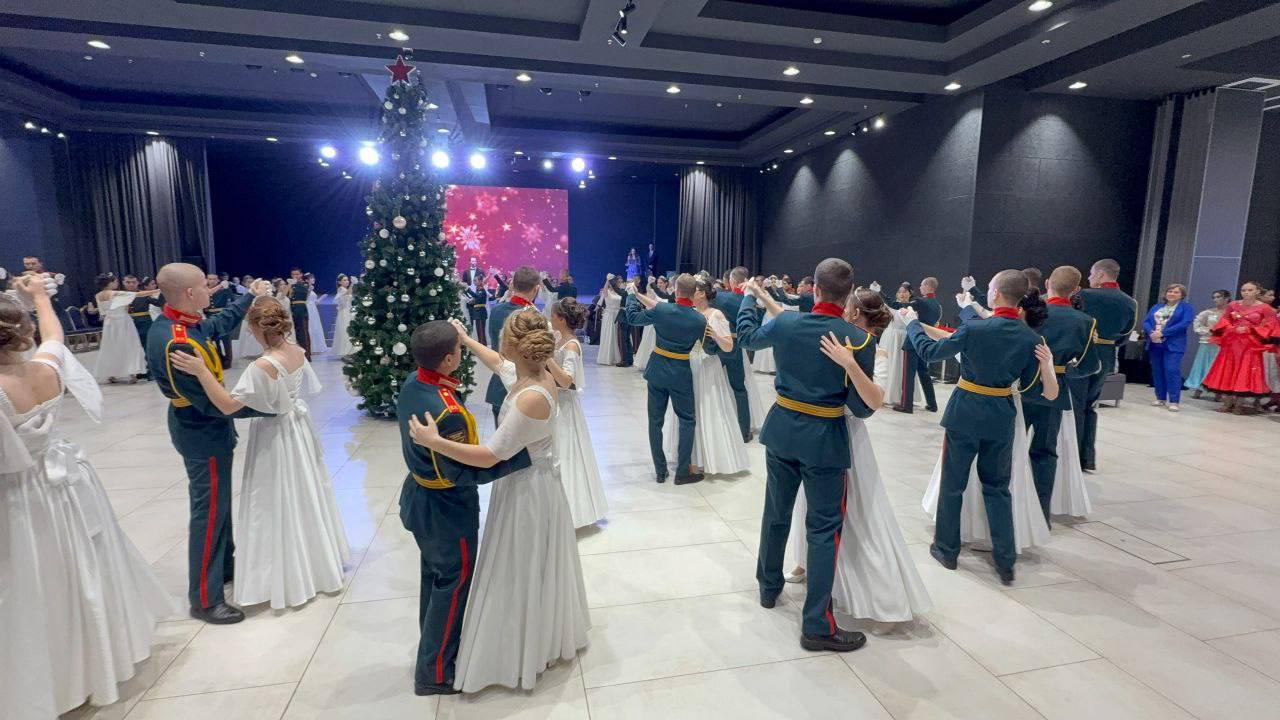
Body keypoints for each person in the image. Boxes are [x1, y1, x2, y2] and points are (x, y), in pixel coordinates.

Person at [2, 275, 175, 717]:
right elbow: (55, 336)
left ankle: (46, 681)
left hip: (16, 499)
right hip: (65, 489)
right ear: (24, 332)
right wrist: (40, 298)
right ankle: (94, 662)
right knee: (76, 571)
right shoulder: (45, 368)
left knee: (28, 584)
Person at [409, 310, 590, 692]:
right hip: (525, 483)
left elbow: (491, 455)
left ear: (512, 346)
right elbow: (497, 363)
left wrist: (434, 442)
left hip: (530, 492)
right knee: (526, 563)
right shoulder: (531, 373)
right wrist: (466, 339)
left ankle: (521, 646)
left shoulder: (531, 396)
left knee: (522, 565)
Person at [169, 297, 349, 609]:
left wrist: (202, 371)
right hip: (298, 428)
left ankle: (283, 572)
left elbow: (227, 405)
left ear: (255, 327)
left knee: (275, 498)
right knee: (303, 492)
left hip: (275, 433)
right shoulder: (297, 351)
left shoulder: (262, 365)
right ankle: (313, 560)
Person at [736, 258, 877, 653]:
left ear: (813, 289)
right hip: (824, 440)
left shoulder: (786, 323)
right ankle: (816, 624)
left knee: (776, 513)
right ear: (849, 295)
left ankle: (768, 587)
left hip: (782, 431)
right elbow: (862, 408)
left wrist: (749, 298)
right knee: (823, 530)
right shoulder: (858, 340)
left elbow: (746, 338)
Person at [394, 320, 531, 696]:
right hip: (446, 508)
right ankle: (435, 672)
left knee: (435, 577)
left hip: (419, 496)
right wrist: (518, 459)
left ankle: (432, 648)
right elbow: (463, 471)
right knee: (452, 585)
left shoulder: (414, 383)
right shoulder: (446, 410)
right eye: (459, 349)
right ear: (449, 359)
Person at [782, 287, 933, 622]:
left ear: (854, 313)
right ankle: (805, 561)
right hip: (817, 431)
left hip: (847, 435)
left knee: (856, 511)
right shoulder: (833, 335)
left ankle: (867, 586)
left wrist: (849, 363)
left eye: (848, 306)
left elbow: (875, 400)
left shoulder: (874, 349)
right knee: (808, 503)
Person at [908, 269, 1058, 585]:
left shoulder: (975, 328)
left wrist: (912, 326)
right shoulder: (1031, 338)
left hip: (965, 412)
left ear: (996, 294)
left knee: (953, 483)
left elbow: (931, 353)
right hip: (1001, 416)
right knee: (997, 487)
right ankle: (1005, 561)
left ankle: (946, 549)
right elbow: (1036, 390)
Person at [147, 264, 274, 624]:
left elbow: (215, 325)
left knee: (220, 506)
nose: (211, 290)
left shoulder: (180, 323)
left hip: (203, 428)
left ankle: (224, 568)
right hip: (201, 430)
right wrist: (268, 406)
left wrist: (250, 298)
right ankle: (204, 598)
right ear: (190, 292)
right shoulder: (178, 342)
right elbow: (213, 405)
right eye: (205, 286)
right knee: (210, 512)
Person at [1023, 266, 1097, 523]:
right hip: (1055, 389)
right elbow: (1090, 365)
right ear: (1076, 290)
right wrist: (1066, 370)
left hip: (1023, 385)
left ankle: (1010, 510)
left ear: (1047, 283)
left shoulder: (1029, 312)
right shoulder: (1085, 322)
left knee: (1009, 447)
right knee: (1044, 452)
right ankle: (1041, 516)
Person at [661, 278, 749, 476]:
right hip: (689, 366)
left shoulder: (716, 314)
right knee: (688, 411)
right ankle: (690, 456)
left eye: (695, 289)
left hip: (708, 368)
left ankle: (711, 458)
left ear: (701, 294)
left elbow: (729, 346)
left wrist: (715, 335)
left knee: (708, 408)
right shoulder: (689, 313)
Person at [626, 273, 708, 484]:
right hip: (681, 373)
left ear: (676, 290)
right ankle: (682, 472)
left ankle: (660, 471)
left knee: (655, 421)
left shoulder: (662, 310)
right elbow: (708, 347)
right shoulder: (700, 319)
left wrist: (632, 296)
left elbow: (633, 318)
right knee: (687, 420)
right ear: (693, 294)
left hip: (657, 370)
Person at [544, 298, 609, 527]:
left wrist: (548, 358)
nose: (550, 318)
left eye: (553, 315)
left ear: (562, 319)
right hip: (553, 401)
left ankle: (571, 512)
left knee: (566, 451)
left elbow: (566, 380)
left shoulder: (571, 345)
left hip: (565, 405)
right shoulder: (557, 337)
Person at [1068, 259, 1136, 472]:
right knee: (1091, 405)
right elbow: (1124, 336)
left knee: (1076, 405)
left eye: (1091, 273)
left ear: (1099, 275)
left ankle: (1072, 457)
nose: (1089, 277)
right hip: (1106, 356)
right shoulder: (1129, 302)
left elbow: (1073, 322)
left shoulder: (1085, 295)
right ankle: (1087, 457)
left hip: (1082, 353)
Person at [1203, 280, 1278, 414]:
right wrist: (1230, 327)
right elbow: (1225, 319)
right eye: (1244, 290)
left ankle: (1239, 404)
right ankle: (1227, 403)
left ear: (1257, 291)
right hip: (1232, 342)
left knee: (1244, 371)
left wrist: (1251, 329)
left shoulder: (1265, 308)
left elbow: (1270, 325)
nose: (1246, 293)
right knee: (1228, 370)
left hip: (1250, 344)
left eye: (1250, 290)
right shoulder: (1233, 305)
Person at [875, 277, 941, 413]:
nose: (920, 287)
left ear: (927, 286)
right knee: (924, 373)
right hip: (926, 341)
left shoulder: (921, 302)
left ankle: (907, 405)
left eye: (922, 285)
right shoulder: (937, 305)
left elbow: (897, 305)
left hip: (913, 341)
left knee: (908, 374)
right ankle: (932, 404)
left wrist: (880, 292)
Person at [485, 265, 541, 425]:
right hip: (524, 388)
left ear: (512, 285)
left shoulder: (496, 311)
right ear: (536, 289)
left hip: (499, 384)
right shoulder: (534, 316)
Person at [93, 272, 159, 384]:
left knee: (111, 347)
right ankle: (132, 374)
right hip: (123, 322)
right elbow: (139, 294)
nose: (117, 283)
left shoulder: (98, 295)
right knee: (129, 346)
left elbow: (102, 312)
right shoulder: (115, 293)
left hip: (109, 323)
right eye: (115, 281)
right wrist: (157, 290)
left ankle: (111, 374)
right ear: (109, 283)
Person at [714, 266, 754, 442]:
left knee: (710, 386)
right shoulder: (750, 301)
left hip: (719, 344)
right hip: (737, 347)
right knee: (739, 389)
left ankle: (713, 428)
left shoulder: (721, 297)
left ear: (733, 281)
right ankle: (744, 431)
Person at [1143, 283, 1195, 412]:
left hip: (1174, 344)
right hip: (1155, 342)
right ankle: (1160, 397)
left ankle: (1174, 400)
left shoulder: (1186, 308)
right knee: (1157, 370)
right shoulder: (1157, 306)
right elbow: (1146, 321)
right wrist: (1151, 333)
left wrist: (1163, 333)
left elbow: (1184, 324)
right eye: (1170, 291)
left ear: (1182, 295)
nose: (1172, 294)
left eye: (1176, 292)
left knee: (1171, 370)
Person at [1185, 289, 1232, 399]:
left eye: (1218, 297)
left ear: (1226, 298)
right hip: (1207, 342)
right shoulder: (1208, 312)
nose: (1215, 299)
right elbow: (1197, 324)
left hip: (1224, 344)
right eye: (1214, 297)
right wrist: (1209, 331)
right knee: (1202, 365)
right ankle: (1198, 389)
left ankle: (1218, 392)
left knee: (1219, 367)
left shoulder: (1232, 314)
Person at [123, 274, 163, 379]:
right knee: (133, 348)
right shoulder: (121, 296)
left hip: (145, 323)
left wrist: (162, 293)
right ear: (123, 283)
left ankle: (151, 371)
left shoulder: (144, 295)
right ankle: (139, 370)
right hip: (128, 324)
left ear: (137, 283)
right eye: (128, 282)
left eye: (133, 282)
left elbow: (158, 303)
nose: (131, 285)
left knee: (146, 347)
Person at [207, 273, 237, 365]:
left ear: (217, 280)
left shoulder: (225, 289)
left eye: (214, 279)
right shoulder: (204, 290)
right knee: (214, 339)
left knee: (226, 338)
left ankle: (228, 360)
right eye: (209, 279)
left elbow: (233, 300)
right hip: (209, 316)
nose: (212, 281)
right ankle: (219, 358)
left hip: (222, 316)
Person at [595, 275, 623, 366]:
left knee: (616, 336)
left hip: (618, 314)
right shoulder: (607, 292)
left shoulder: (619, 292)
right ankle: (607, 358)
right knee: (610, 335)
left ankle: (618, 357)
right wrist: (608, 280)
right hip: (609, 315)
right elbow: (605, 289)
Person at [288, 267, 312, 360]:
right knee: (295, 332)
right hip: (292, 309)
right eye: (293, 274)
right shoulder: (290, 285)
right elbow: (288, 296)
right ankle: (297, 353)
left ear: (301, 275)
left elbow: (306, 295)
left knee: (303, 331)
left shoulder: (304, 285)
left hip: (302, 309)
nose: (295, 276)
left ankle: (306, 354)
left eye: (297, 274)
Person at [332, 273, 355, 355]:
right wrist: (352, 284)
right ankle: (346, 351)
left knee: (348, 330)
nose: (347, 281)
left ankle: (349, 350)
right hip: (344, 312)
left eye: (347, 280)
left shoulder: (344, 289)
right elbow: (348, 293)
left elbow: (349, 293)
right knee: (345, 330)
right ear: (339, 282)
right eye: (344, 280)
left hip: (348, 311)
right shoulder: (341, 289)